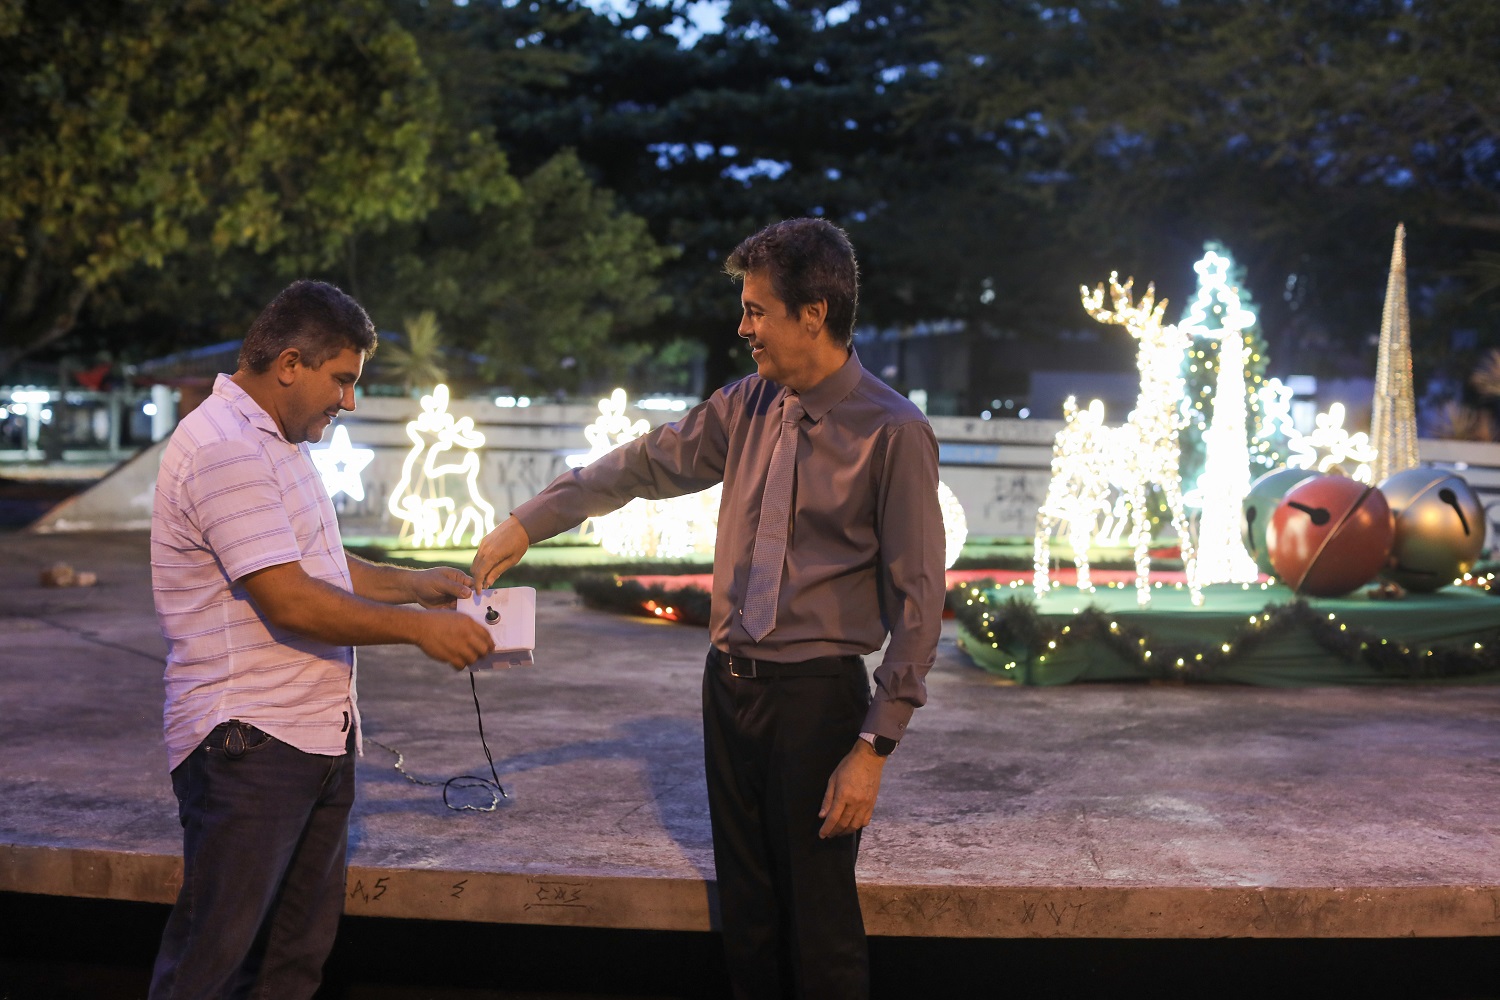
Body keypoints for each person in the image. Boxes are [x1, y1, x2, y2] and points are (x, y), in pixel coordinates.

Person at [470, 218, 945, 999]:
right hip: (727, 688)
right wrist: (529, 521)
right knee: (748, 919)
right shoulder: (746, 407)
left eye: (758, 309)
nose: (743, 326)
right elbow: (640, 464)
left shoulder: (892, 431)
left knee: (819, 923)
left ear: (814, 314)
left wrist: (874, 747)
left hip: (817, 702)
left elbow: (920, 604)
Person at [148, 279, 494, 1000]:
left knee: (291, 965)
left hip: (308, 740)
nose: (350, 401)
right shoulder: (226, 448)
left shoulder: (274, 441)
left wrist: (414, 582)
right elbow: (292, 600)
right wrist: (422, 632)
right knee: (214, 969)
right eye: (342, 380)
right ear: (291, 363)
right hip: (249, 742)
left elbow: (320, 568)